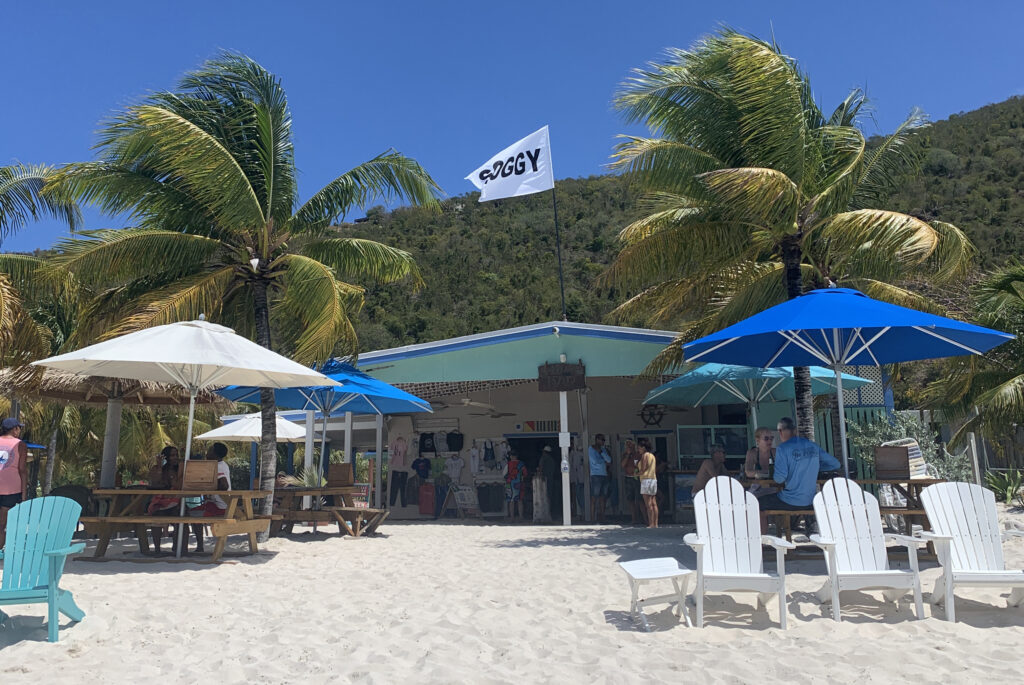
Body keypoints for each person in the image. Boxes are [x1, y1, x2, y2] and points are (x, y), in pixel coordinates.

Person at [759, 417, 840, 533]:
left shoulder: (782, 448)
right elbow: (835, 464)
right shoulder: (812, 446)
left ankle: (762, 541)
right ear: (795, 430)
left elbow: (779, 478)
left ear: (780, 432)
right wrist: (814, 467)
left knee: (756, 503)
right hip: (810, 500)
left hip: (789, 501)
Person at [189, 442, 232, 552]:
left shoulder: (218, 466)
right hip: (219, 504)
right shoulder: (221, 464)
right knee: (192, 513)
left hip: (220, 506)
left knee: (192, 515)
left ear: (214, 453)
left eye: (209, 450)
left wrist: (210, 488)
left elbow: (224, 485)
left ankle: (199, 546)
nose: (207, 452)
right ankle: (199, 546)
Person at [0, 418, 28, 550]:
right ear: (15, 429)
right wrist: (24, 495)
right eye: (19, 428)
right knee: (3, 524)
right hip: (11, 489)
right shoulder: (20, 445)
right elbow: (22, 469)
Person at [745, 427, 778, 499]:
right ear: (758, 440)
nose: (769, 441)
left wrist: (758, 473)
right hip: (758, 487)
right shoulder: (752, 453)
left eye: (771, 438)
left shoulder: (776, 452)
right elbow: (748, 472)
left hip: (774, 486)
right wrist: (768, 473)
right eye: (766, 438)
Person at [588, 434, 612, 523]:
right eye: (602, 440)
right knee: (594, 497)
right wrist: (603, 461)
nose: (603, 442)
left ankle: (602, 517)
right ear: (597, 439)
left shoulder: (603, 449)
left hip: (604, 475)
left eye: (604, 440)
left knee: (603, 497)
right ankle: (592, 518)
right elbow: (595, 461)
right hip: (595, 475)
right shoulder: (591, 449)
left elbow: (609, 460)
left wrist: (601, 453)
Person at [636, 437, 659, 528]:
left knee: (648, 503)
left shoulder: (645, 455)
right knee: (654, 503)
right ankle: (655, 523)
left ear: (643, 447)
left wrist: (636, 474)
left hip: (646, 480)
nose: (638, 450)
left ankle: (651, 523)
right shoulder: (652, 456)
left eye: (639, 448)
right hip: (653, 479)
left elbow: (643, 469)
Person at [620, 439, 644, 525]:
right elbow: (622, 465)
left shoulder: (638, 454)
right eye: (627, 445)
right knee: (630, 499)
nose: (629, 446)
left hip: (637, 478)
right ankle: (634, 519)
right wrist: (628, 455)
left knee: (640, 499)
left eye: (630, 444)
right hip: (628, 478)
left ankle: (645, 518)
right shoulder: (625, 455)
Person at [539, 445, 561, 521]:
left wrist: (540, 476)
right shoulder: (552, 459)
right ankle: (550, 513)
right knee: (550, 496)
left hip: (545, 480)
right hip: (551, 479)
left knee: (544, 496)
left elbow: (540, 468)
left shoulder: (544, 458)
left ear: (544, 452)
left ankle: (545, 513)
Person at [504, 450, 527, 521]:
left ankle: (512, 517)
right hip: (519, 483)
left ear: (511, 456)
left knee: (511, 501)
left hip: (509, 484)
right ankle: (521, 517)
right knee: (519, 500)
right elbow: (525, 473)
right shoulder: (521, 464)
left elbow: (504, 474)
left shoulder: (508, 464)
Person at [569, 438, 585, 518]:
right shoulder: (573, 454)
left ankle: (581, 514)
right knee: (576, 496)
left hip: (580, 480)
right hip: (577, 479)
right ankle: (578, 513)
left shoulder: (577, 454)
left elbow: (575, 466)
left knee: (580, 496)